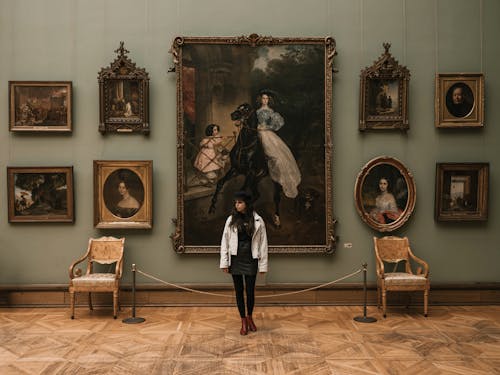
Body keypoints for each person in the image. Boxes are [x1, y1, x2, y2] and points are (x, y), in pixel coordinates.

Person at [220, 191, 268, 336]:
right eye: (236, 202)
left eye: (240, 202)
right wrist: (225, 263)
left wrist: (263, 265)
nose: (237, 205)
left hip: (251, 259)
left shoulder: (258, 220)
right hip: (236, 259)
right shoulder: (231, 220)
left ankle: (250, 317)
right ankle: (243, 320)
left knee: (250, 291)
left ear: (247, 204)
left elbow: (263, 244)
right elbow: (225, 241)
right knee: (239, 291)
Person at [256, 90, 301, 199]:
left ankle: (280, 177)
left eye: (266, 99)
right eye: (263, 98)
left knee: (276, 155)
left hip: (267, 134)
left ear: (269, 100)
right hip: (256, 132)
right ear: (260, 99)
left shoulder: (271, 111)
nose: (265, 100)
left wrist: (265, 127)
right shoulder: (257, 111)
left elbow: (277, 124)